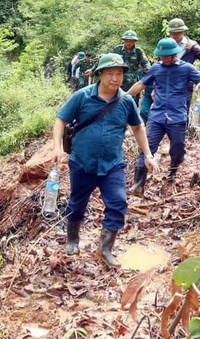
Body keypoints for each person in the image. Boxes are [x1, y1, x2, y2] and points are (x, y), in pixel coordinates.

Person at [53, 53, 159, 267]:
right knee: (76, 203)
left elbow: (138, 127)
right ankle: (72, 240)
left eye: (119, 74)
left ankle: (105, 248)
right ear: (100, 74)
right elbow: (60, 120)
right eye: (110, 73)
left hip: (112, 165)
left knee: (118, 203)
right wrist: (57, 148)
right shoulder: (82, 97)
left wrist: (148, 154)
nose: (115, 78)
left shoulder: (126, 101)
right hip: (82, 162)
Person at [126, 38, 200, 197]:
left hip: (177, 117)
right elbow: (141, 84)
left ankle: (172, 172)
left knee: (177, 149)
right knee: (147, 148)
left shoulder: (186, 68)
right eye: (161, 56)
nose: (164, 58)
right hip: (156, 116)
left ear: (174, 54)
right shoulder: (156, 68)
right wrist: (123, 96)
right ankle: (138, 185)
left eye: (167, 55)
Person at [167, 18, 200, 112]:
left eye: (179, 32)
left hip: (185, 84)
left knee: (183, 112)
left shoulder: (191, 45)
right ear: (170, 33)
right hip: (167, 82)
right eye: (174, 33)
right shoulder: (166, 44)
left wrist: (195, 48)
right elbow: (159, 63)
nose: (176, 35)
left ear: (183, 31)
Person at [111, 30, 150, 104]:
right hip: (118, 82)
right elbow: (106, 60)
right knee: (116, 104)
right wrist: (92, 69)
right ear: (124, 41)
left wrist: (150, 73)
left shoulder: (138, 52)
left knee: (131, 104)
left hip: (132, 84)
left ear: (134, 41)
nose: (129, 43)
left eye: (131, 41)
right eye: (127, 41)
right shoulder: (117, 50)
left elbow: (146, 64)